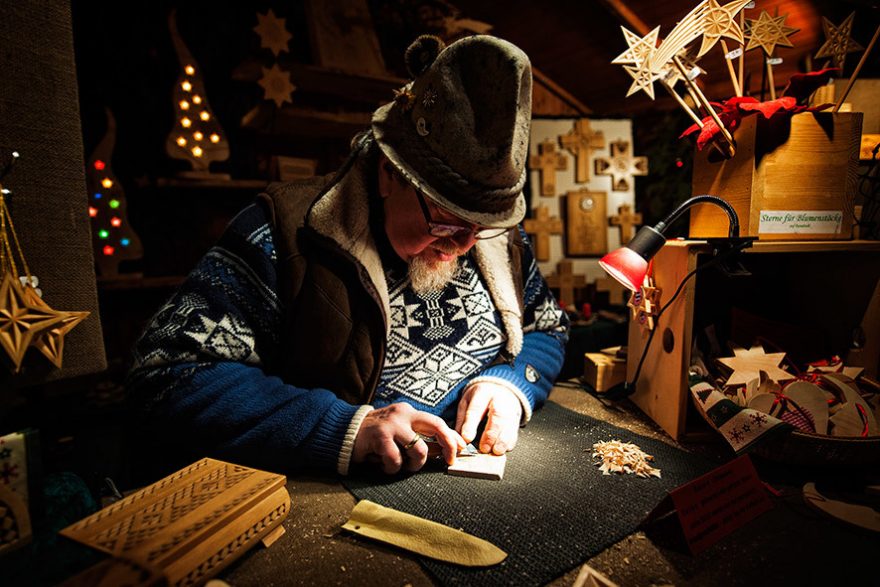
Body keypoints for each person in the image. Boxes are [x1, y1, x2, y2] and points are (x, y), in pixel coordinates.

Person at [128, 34, 569, 476]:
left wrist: (511, 384)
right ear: (389, 174)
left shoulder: (494, 238)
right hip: (338, 496)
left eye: (482, 226)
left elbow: (548, 326)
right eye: (446, 221)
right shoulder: (281, 234)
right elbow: (166, 374)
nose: (466, 245)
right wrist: (345, 428)